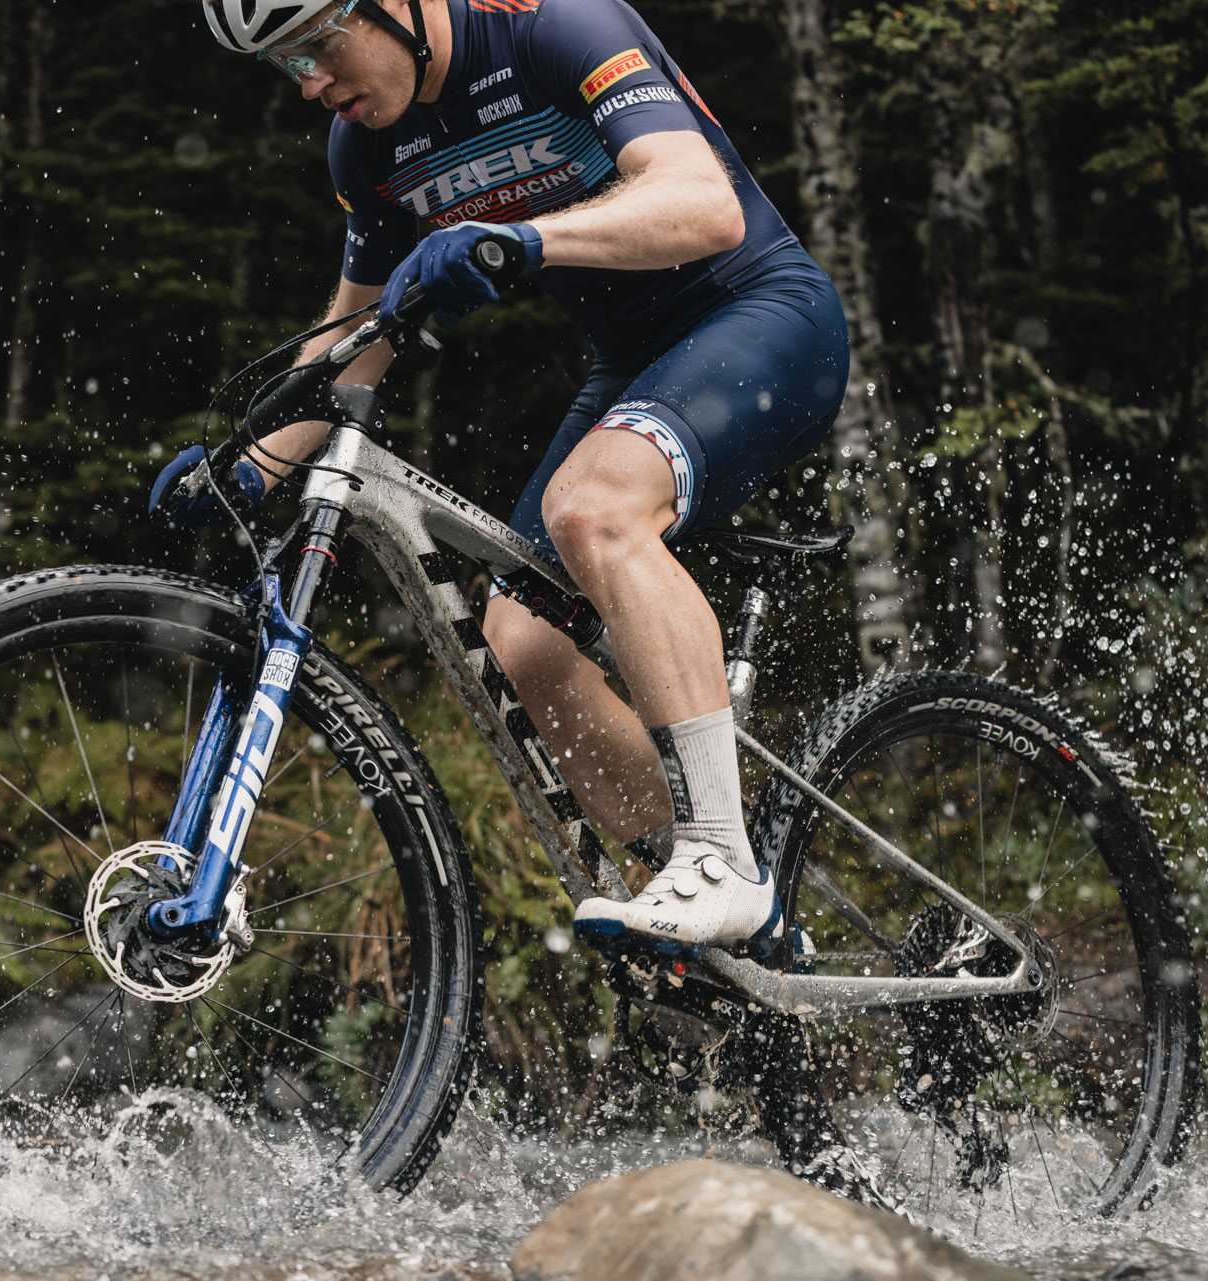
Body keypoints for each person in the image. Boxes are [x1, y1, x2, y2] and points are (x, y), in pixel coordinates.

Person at [170, 0, 851, 954]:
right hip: (635, 363)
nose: (312, 84)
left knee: (591, 510)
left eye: (319, 45)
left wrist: (523, 238)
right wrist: (248, 465)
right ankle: (728, 914)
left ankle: (723, 862)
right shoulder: (367, 147)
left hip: (762, 313)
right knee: (523, 640)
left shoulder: (553, 27)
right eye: (287, 65)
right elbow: (358, 338)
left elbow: (704, 203)